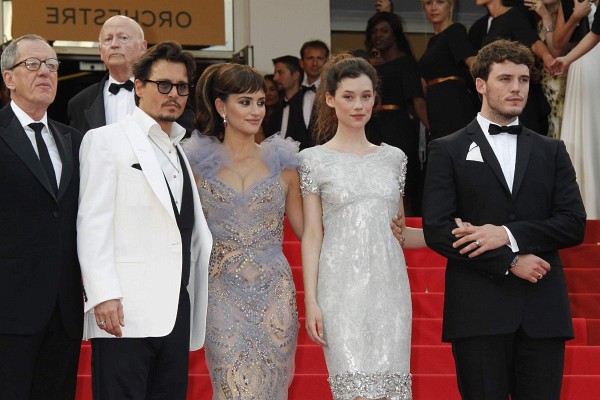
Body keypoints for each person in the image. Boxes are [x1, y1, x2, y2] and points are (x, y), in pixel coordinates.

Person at [422, 39, 586, 400]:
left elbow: (573, 222)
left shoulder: (552, 150)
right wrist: (510, 261)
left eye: (524, 80)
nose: (516, 88)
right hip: (478, 311)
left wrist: (507, 234)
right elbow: (437, 228)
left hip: (543, 311)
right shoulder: (447, 148)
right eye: (505, 79)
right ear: (481, 84)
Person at [77, 41, 213, 399]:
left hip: (176, 311)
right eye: (163, 85)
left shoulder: (180, 149)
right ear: (138, 87)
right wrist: (103, 295)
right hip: (124, 312)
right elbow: (92, 223)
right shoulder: (105, 140)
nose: (174, 95)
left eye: (182, 87)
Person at [299, 54, 426, 400]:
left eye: (366, 96)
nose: (359, 105)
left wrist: (446, 234)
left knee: (391, 392)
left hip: (390, 288)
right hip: (339, 289)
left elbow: (399, 232)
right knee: (352, 390)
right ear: (330, 98)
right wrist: (311, 301)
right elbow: (312, 235)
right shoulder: (312, 160)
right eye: (349, 96)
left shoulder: (395, 158)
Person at [182, 63, 303, 398]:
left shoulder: (284, 163)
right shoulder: (196, 166)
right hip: (221, 292)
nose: (256, 111)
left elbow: (308, 233)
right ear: (221, 106)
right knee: (232, 386)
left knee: (273, 384)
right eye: (245, 102)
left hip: (275, 294)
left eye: (261, 102)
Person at [0, 34, 83, 400]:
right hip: (8, 309)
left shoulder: (75, 141)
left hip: (63, 311)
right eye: (32, 64)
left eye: (51, 65)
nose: (45, 72)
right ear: (8, 78)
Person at [67, 15, 194, 135]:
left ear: (142, 47)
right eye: (108, 39)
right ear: (101, 51)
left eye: (123, 38)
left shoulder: (167, 90)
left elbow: (186, 138)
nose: (114, 45)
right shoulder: (79, 103)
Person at [365, 11, 429, 215]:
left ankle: (407, 232)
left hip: (397, 128)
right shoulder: (371, 67)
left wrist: (432, 130)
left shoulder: (406, 62)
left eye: (384, 31)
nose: (378, 35)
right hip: (372, 127)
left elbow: (417, 100)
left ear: (395, 34)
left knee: (402, 186)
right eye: (374, 31)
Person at [475, 0, 554, 136]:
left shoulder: (512, 14)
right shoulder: (484, 25)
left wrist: (548, 58)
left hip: (520, 99)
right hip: (498, 101)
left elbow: (533, 41)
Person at [550, 1, 599, 218]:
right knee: (587, 130)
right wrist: (575, 17)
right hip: (584, 63)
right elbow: (559, 42)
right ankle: (586, 208)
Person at [419, 0, 478, 140]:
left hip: (452, 102)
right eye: (428, 3)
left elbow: (472, 62)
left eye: (440, 2)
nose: (433, 8)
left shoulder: (455, 30)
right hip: (435, 105)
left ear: (450, 5)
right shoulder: (432, 42)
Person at [524, 0, 567, 138]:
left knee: (558, 129)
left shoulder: (566, 15)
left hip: (559, 83)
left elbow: (557, 52)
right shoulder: (537, 21)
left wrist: (546, 16)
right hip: (542, 85)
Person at [271, 55, 314, 149]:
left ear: (296, 75)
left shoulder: (309, 102)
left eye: (280, 73)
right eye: (275, 73)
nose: (275, 78)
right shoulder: (277, 106)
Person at [299, 40, 330, 142]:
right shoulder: (295, 93)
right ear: (302, 62)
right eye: (310, 58)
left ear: (326, 62)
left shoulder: (333, 92)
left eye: (319, 58)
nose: (315, 63)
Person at [257, 73, 282, 143]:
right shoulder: (257, 113)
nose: (267, 93)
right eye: (264, 90)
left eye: (272, 89)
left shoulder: (283, 115)